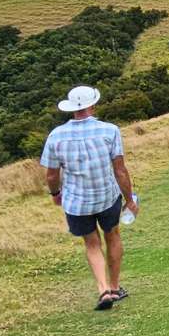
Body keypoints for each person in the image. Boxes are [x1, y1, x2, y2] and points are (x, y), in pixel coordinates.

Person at [40, 85, 140, 310]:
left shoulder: (56, 135)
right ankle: (115, 288)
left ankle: (103, 289)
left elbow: (52, 174)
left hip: (76, 201)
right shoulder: (110, 130)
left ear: (71, 109)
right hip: (107, 196)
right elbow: (120, 170)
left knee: (92, 244)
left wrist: (56, 194)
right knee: (112, 235)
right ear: (92, 105)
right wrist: (130, 200)